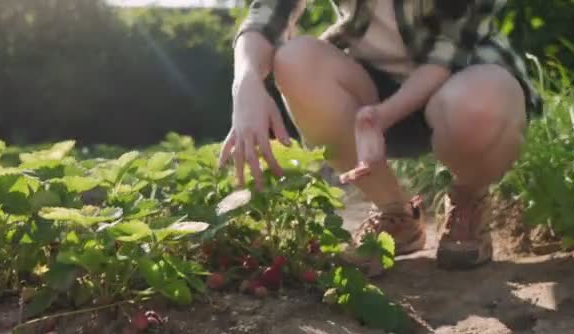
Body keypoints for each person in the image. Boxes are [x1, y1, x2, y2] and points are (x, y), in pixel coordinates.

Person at [218, 0, 543, 274]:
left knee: (480, 104)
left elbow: (447, 56)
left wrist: (380, 117)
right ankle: (395, 212)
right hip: (372, 88)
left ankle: (468, 198)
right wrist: (244, 86)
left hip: (463, 83)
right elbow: (267, 17)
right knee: (295, 60)